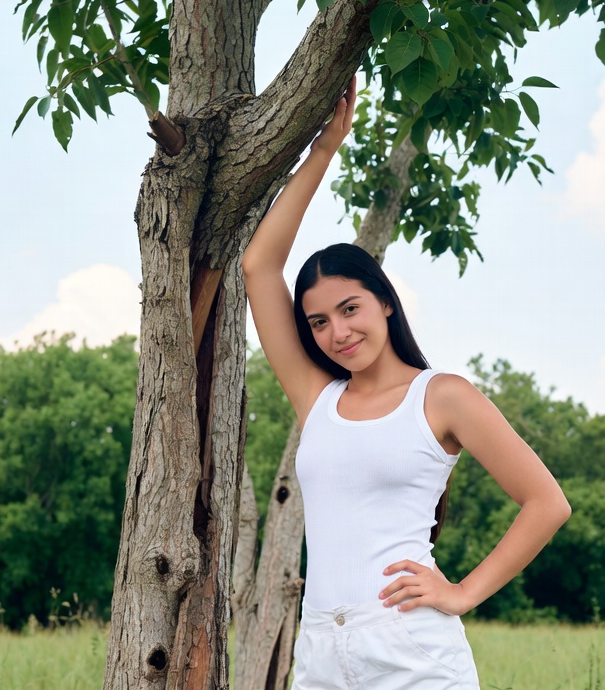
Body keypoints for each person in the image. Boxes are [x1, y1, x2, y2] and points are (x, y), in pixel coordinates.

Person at [241, 77, 571, 689]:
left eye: (349, 308)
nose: (336, 331)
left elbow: (547, 503)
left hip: (410, 651)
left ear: (385, 304)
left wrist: (464, 591)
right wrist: (323, 149)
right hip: (319, 652)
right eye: (317, 320)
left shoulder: (441, 396)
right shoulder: (319, 401)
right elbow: (259, 266)